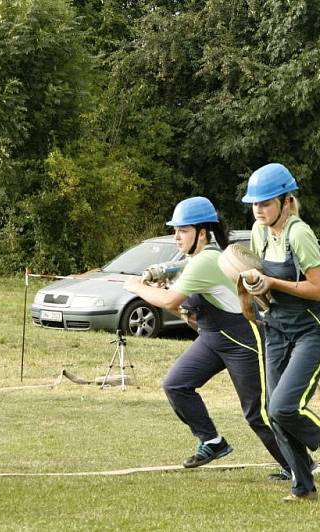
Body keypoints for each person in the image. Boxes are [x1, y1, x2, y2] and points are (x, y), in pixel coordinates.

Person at [123, 196, 290, 479]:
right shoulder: (196, 259)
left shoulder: (208, 259)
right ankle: (213, 442)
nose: (177, 237)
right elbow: (184, 306)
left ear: (203, 233)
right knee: (176, 385)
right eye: (176, 230)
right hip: (213, 337)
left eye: (183, 230)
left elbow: (167, 301)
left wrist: (136, 286)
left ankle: (297, 466)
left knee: (257, 413)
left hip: (242, 339)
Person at [239, 162, 320, 503]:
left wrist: (273, 282)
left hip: (312, 328)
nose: (259, 209)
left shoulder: (300, 233)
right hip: (277, 326)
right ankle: (302, 486)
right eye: (255, 203)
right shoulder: (258, 231)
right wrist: (251, 288)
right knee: (272, 410)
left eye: (265, 202)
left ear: (285, 201)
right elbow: (258, 279)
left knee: (285, 406)